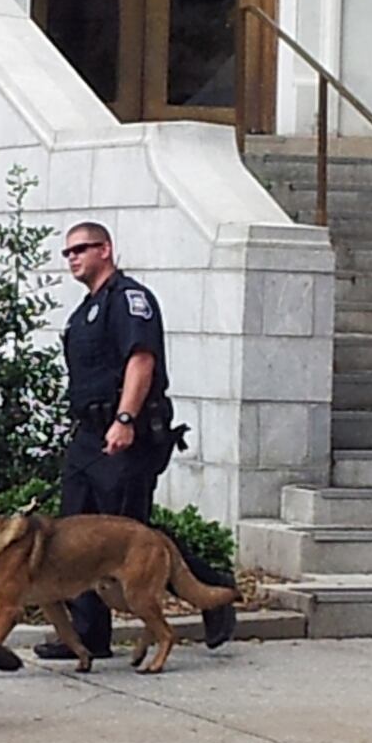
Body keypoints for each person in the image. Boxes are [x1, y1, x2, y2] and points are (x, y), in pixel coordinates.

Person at [39, 222, 238, 662]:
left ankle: (216, 591)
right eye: (67, 252)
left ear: (106, 249)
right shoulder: (86, 309)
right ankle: (90, 634)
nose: (72, 257)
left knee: (129, 534)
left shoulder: (130, 300)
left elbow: (140, 361)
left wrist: (125, 418)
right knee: (78, 534)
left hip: (126, 433)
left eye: (81, 249)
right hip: (89, 436)